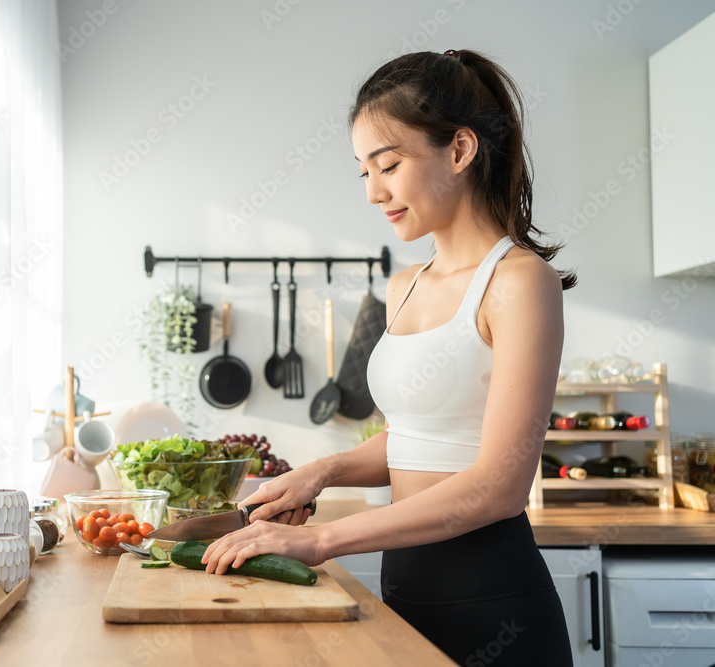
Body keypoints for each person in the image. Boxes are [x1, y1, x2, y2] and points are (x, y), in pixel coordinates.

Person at [202, 49, 576, 666]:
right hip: (405, 591)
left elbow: (500, 486)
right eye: (363, 173)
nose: (374, 193)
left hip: (493, 601)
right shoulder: (404, 285)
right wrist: (326, 470)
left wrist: (322, 540)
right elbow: (416, 439)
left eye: (389, 165)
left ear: (459, 151)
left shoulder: (518, 282)